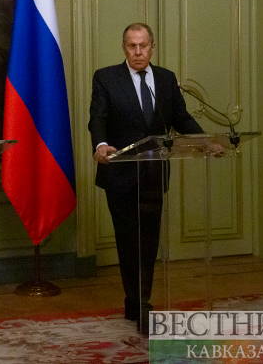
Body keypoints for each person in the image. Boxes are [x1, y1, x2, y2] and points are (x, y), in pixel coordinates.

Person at [88, 23, 205, 334]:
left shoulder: (165, 79)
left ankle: (140, 301)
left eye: (143, 46)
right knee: (128, 241)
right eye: (132, 46)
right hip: (120, 173)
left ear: (153, 47)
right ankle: (137, 302)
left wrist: (205, 141)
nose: (138, 52)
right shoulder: (106, 77)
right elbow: (97, 117)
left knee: (148, 241)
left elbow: (181, 118)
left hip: (153, 172)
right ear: (124, 48)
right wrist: (101, 145)